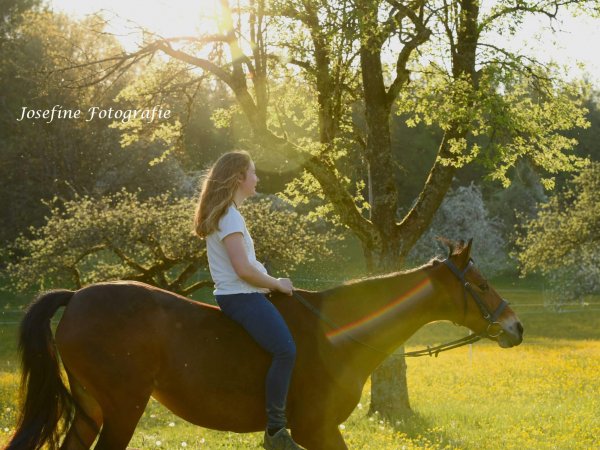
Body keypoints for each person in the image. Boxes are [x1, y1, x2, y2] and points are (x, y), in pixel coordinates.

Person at [194, 151, 301, 450]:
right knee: (285, 351)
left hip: (241, 294)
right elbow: (243, 270)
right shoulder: (229, 216)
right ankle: (276, 432)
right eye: (253, 172)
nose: (258, 178)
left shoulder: (228, 214)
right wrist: (277, 284)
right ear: (239, 177)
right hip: (241, 297)